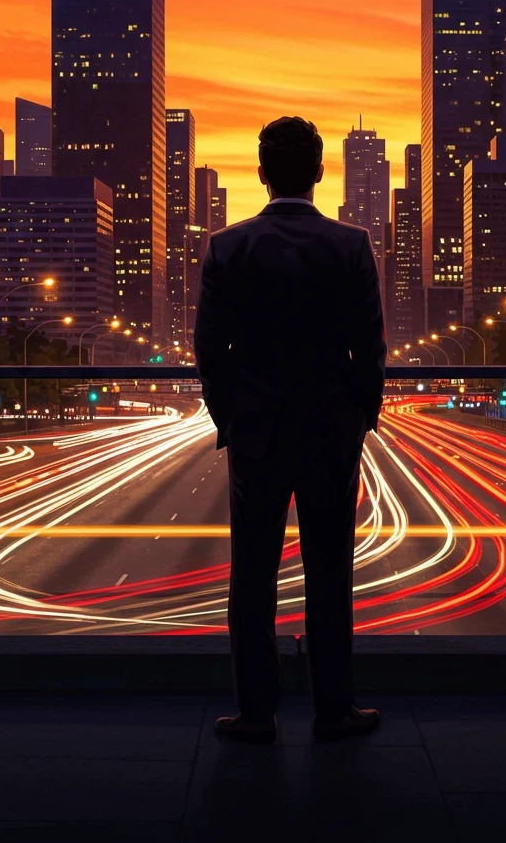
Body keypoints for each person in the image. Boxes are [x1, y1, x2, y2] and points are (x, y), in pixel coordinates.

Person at [194, 115, 386, 744]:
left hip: (257, 433)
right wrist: (360, 418)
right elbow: (370, 346)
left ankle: (255, 713)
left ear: (262, 173)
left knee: (252, 577)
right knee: (330, 572)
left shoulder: (228, 247)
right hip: (330, 431)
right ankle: (334, 710)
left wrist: (232, 419)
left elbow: (209, 351)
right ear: (319, 172)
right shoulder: (352, 245)